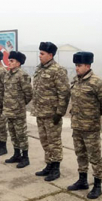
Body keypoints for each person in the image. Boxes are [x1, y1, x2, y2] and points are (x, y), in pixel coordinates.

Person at [67, 52, 102, 199]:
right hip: (77, 125)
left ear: (88, 65)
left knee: (95, 156)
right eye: (76, 65)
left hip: (90, 127)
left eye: (79, 66)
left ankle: (97, 185)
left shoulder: (97, 82)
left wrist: (91, 116)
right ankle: (82, 180)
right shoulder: (75, 81)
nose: (77, 68)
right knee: (80, 154)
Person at [33, 41, 71, 181]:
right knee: (44, 141)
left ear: (50, 55)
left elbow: (64, 93)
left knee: (54, 141)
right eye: (39, 53)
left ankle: (56, 168)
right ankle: (48, 164)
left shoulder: (58, 70)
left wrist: (59, 112)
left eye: (42, 54)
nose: (39, 56)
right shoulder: (39, 69)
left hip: (51, 114)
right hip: (40, 112)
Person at [3, 51, 33, 168]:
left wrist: (20, 104)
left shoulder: (22, 75)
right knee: (13, 133)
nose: (9, 63)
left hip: (18, 111)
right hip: (8, 110)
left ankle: (25, 157)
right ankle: (16, 154)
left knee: (21, 135)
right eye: (9, 60)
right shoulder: (8, 74)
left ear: (18, 63)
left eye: (12, 61)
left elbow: (29, 94)